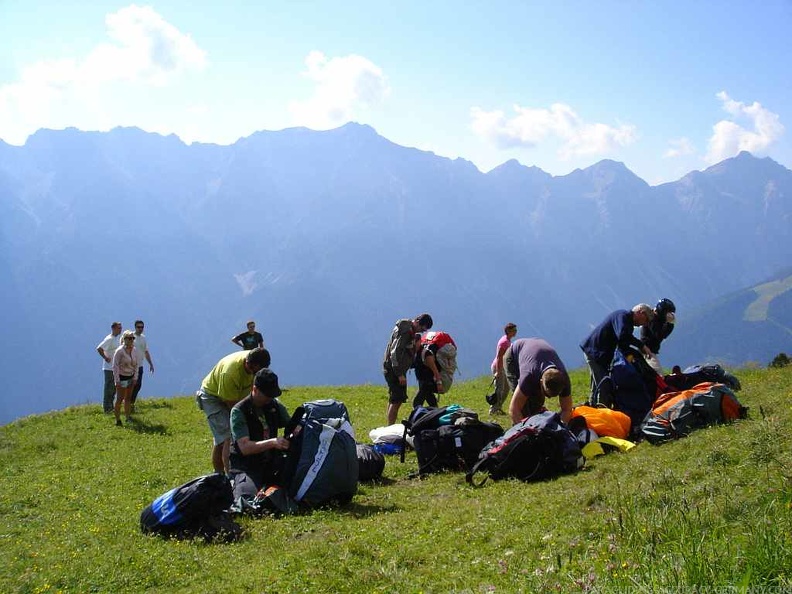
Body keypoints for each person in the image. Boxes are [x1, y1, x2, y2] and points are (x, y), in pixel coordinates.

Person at [196, 347, 272, 475]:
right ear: (249, 364)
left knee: (220, 438)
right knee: (227, 437)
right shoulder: (230, 373)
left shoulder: (256, 360)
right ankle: (230, 477)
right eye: (255, 371)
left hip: (234, 395)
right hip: (213, 397)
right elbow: (233, 407)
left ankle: (218, 474)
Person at [228, 368, 292, 499]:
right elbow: (244, 447)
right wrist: (273, 442)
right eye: (267, 395)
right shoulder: (239, 411)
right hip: (247, 466)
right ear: (255, 389)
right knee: (246, 497)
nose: (270, 398)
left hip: (272, 463)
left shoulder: (273, 405)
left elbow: (291, 424)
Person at [580, 304, 655, 397]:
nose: (644, 324)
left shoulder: (627, 321)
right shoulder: (623, 316)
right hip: (595, 351)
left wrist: (639, 350)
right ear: (641, 313)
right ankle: (602, 408)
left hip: (598, 351)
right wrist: (639, 348)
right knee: (604, 386)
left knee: (597, 385)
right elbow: (623, 337)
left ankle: (593, 406)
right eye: (646, 320)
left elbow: (625, 341)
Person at [505, 338, 573, 425]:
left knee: (537, 403)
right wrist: (524, 432)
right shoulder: (528, 375)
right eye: (547, 394)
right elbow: (514, 409)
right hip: (513, 355)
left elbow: (567, 409)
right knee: (524, 407)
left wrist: (562, 427)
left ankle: (536, 424)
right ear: (541, 382)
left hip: (535, 354)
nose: (548, 398)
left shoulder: (564, 378)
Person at [382, 313, 433, 425]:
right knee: (398, 399)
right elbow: (394, 352)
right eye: (422, 329)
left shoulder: (410, 331)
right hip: (394, 370)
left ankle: (388, 427)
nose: (421, 332)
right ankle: (390, 427)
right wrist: (399, 374)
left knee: (394, 398)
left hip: (394, 369)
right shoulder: (405, 332)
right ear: (418, 322)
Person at [412, 331, 457, 409]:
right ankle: (435, 414)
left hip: (429, 381)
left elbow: (435, 370)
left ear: (419, 341)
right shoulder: (415, 353)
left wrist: (439, 383)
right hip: (423, 380)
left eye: (414, 343)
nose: (412, 346)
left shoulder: (426, 354)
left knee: (417, 402)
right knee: (431, 400)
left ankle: (416, 418)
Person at [640, 298, 676, 374]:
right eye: (668, 313)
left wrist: (669, 323)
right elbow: (659, 335)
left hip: (648, 351)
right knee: (658, 375)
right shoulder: (652, 318)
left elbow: (663, 334)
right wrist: (669, 324)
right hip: (647, 351)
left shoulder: (657, 318)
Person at [112, 330, 140, 426]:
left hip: (131, 377)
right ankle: (118, 419)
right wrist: (117, 381)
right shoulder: (119, 351)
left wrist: (135, 377)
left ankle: (128, 418)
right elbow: (115, 366)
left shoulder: (135, 350)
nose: (132, 340)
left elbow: (136, 364)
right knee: (119, 399)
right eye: (130, 338)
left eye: (133, 338)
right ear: (125, 339)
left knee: (128, 398)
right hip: (122, 377)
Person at [490, 322, 517, 415]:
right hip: (499, 367)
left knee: (506, 388)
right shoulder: (504, 342)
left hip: (504, 368)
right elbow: (499, 357)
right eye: (514, 330)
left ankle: (498, 407)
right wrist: (498, 371)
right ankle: (493, 409)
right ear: (509, 331)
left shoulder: (508, 340)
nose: (516, 332)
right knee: (499, 388)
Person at [96, 322, 122, 413]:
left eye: (120, 328)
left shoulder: (117, 338)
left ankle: (111, 406)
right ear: (113, 328)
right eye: (119, 328)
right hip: (109, 368)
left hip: (115, 368)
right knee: (109, 388)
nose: (120, 329)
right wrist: (106, 357)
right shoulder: (109, 339)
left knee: (114, 388)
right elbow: (99, 348)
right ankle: (107, 407)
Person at [131, 320, 155, 411]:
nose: (140, 329)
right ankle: (127, 404)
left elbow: (146, 351)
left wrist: (150, 364)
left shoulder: (143, 338)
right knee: (131, 385)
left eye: (142, 327)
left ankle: (131, 403)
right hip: (131, 366)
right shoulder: (131, 337)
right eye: (138, 327)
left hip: (140, 365)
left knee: (138, 385)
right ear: (135, 327)